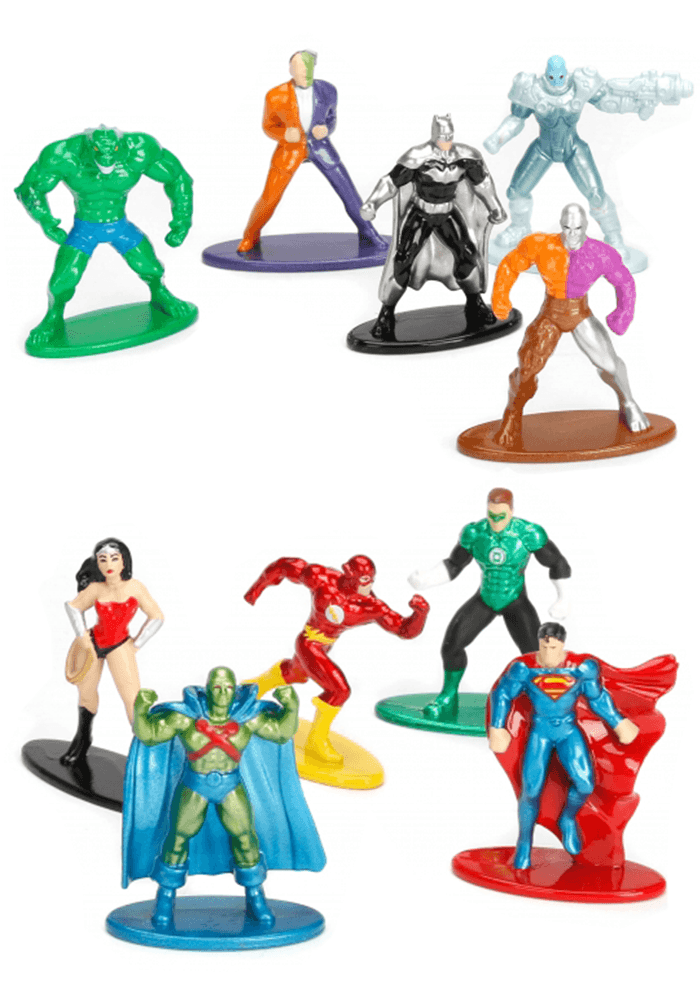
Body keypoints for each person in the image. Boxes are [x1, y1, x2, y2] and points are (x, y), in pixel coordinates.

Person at [123, 668, 325, 929]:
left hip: (230, 786)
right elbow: (150, 735)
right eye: (217, 688)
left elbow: (280, 733)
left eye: (228, 688)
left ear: (235, 691)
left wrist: (291, 706)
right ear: (207, 690)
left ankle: (255, 896)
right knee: (177, 839)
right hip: (194, 785)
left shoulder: (247, 719)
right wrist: (141, 709)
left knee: (246, 839)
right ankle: (165, 897)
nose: (222, 694)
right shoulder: (186, 718)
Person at [484, 55, 693, 268]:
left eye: (561, 77)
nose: (557, 81)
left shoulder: (581, 84)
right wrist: (498, 138)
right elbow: (516, 118)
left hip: (573, 148)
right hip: (543, 148)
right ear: (546, 75)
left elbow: (608, 102)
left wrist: (636, 105)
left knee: (596, 195)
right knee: (516, 191)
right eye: (552, 77)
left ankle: (614, 237)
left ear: (566, 74)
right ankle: (519, 227)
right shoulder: (531, 88)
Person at [15, 126, 195, 349]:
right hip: (84, 229)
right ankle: (53, 317)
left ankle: (161, 294)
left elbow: (179, 178)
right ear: (90, 147)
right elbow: (30, 188)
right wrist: (46, 221)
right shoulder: (64, 154)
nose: (106, 159)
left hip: (119, 225)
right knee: (62, 281)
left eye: (113, 152)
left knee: (151, 267)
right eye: (99, 152)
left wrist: (181, 221)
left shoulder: (140, 149)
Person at [243, 555, 429, 763]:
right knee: (339, 691)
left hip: (323, 646)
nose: (368, 585)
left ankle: (251, 687)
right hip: (308, 642)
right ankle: (317, 740)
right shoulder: (322, 578)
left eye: (371, 579)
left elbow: (404, 629)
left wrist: (420, 614)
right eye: (364, 579)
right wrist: (256, 589)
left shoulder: (371, 606)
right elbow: (285, 566)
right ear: (349, 574)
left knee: (293, 673)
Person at [491, 203, 649, 448]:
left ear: (585, 226)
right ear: (561, 225)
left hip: (580, 313)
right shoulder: (541, 244)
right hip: (550, 314)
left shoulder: (600, 253)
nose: (572, 234)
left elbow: (624, 281)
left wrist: (623, 313)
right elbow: (510, 265)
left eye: (577, 228)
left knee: (610, 364)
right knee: (527, 368)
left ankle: (629, 402)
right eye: (567, 228)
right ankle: (512, 414)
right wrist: (501, 300)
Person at [488, 621, 639, 869]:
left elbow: (597, 698)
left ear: (562, 644)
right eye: (544, 644)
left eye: (554, 645)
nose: (549, 650)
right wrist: (497, 726)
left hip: (568, 730)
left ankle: (567, 818)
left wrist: (617, 722)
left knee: (585, 783)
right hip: (540, 731)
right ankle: (524, 842)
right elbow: (502, 693)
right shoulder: (524, 668)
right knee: (531, 790)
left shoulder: (581, 668)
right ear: (539, 642)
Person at [409, 488, 570, 719]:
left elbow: (557, 563)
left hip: (515, 600)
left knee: (535, 654)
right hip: (485, 598)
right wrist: (427, 579)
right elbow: (455, 564)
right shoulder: (475, 533)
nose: (495, 521)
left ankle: (539, 702)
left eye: (501, 516)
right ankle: (448, 696)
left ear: (511, 511)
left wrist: (563, 597)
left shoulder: (527, 533)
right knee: (451, 645)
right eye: (491, 515)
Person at [361, 114, 506, 340]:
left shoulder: (465, 157)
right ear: (434, 135)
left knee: (468, 254)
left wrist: (494, 206)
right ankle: (386, 313)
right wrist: (373, 203)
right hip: (421, 214)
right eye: (442, 136)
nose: (446, 140)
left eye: (449, 136)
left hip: (448, 213)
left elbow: (482, 183)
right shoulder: (418, 157)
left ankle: (474, 301)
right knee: (403, 260)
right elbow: (390, 182)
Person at [238, 50, 386, 251]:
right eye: (300, 68)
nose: (305, 73)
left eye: (309, 68)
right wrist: (283, 134)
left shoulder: (328, 90)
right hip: (290, 150)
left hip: (321, 147)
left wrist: (326, 129)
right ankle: (251, 235)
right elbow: (268, 126)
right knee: (270, 197)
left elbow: (331, 118)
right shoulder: (275, 95)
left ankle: (368, 231)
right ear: (291, 69)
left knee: (349, 191)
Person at [62, 538, 164, 765]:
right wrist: (82, 637)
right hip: (93, 644)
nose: (108, 564)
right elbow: (73, 607)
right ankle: (83, 738)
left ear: (124, 561)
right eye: (102, 559)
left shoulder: (135, 587)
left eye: (114, 558)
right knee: (86, 694)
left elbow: (157, 616)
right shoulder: (96, 588)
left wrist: (136, 644)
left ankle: (144, 752)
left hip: (120, 645)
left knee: (132, 699)